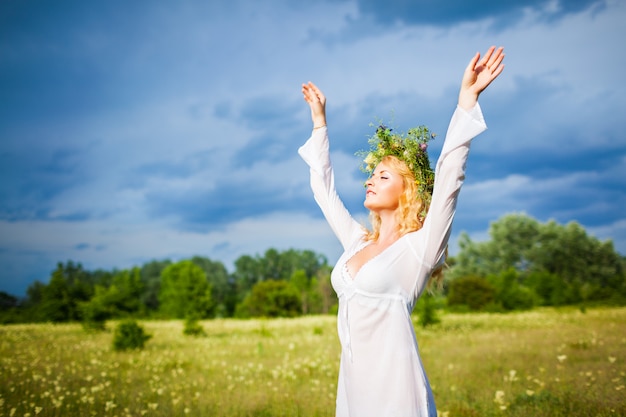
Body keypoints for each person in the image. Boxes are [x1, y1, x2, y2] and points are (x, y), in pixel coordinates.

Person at [298, 46, 505, 416]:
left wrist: (466, 101)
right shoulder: (357, 242)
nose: (370, 180)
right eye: (371, 173)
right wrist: (319, 123)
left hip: (396, 394)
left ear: (407, 189)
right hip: (353, 390)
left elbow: (449, 176)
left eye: (383, 175)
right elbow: (323, 191)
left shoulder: (420, 249)